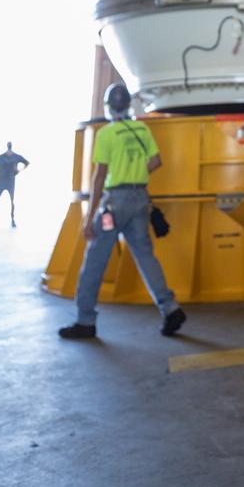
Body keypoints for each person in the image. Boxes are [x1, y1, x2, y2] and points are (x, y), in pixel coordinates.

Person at [58, 83, 186, 340]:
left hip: (113, 205)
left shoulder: (107, 134)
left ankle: (85, 320)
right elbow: (156, 161)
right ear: (128, 105)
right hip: (140, 199)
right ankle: (170, 308)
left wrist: (89, 215)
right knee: (145, 256)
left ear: (108, 107)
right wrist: (135, 176)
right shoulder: (141, 129)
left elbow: (100, 175)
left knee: (95, 260)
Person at [0, 142, 29, 228]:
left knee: (12, 201)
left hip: (10, 182)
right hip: (1, 182)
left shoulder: (15, 156)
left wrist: (19, 170)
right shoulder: (1, 157)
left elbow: (27, 163)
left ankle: (12, 219)